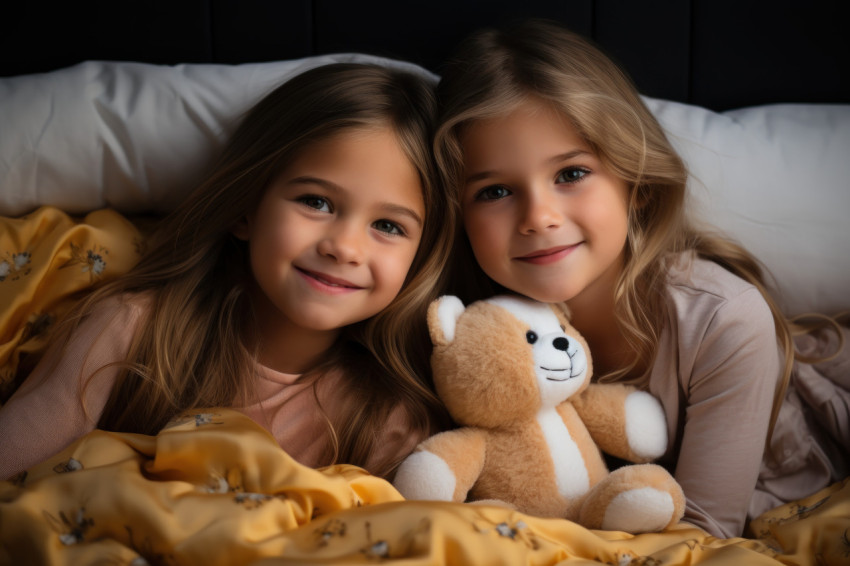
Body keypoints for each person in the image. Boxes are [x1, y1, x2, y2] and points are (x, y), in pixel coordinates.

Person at [433, 19, 849, 538]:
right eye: (494, 191)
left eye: (571, 174)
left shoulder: (723, 320)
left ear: (639, 186)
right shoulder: (462, 330)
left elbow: (703, 531)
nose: (538, 217)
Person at [0, 62, 454, 481]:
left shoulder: (391, 420)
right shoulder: (130, 329)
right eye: (316, 201)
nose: (345, 248)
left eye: (388, 226)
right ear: (245, 209)